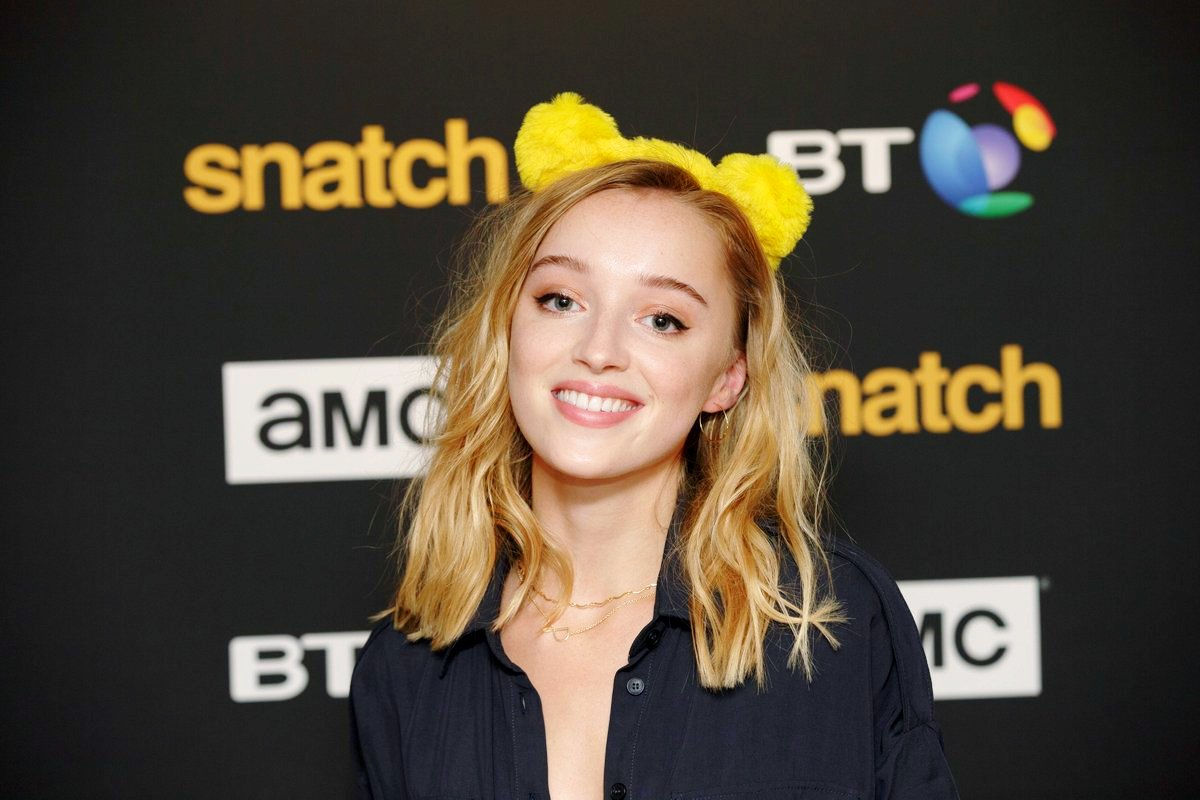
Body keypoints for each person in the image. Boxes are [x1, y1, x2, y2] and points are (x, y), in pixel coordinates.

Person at [350, 92, 960, 800]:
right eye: (560, 300)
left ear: (727, 378)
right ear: (507, 330)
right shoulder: (406, 664)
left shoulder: (832, 621)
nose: (598, 350)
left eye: (663, 319)